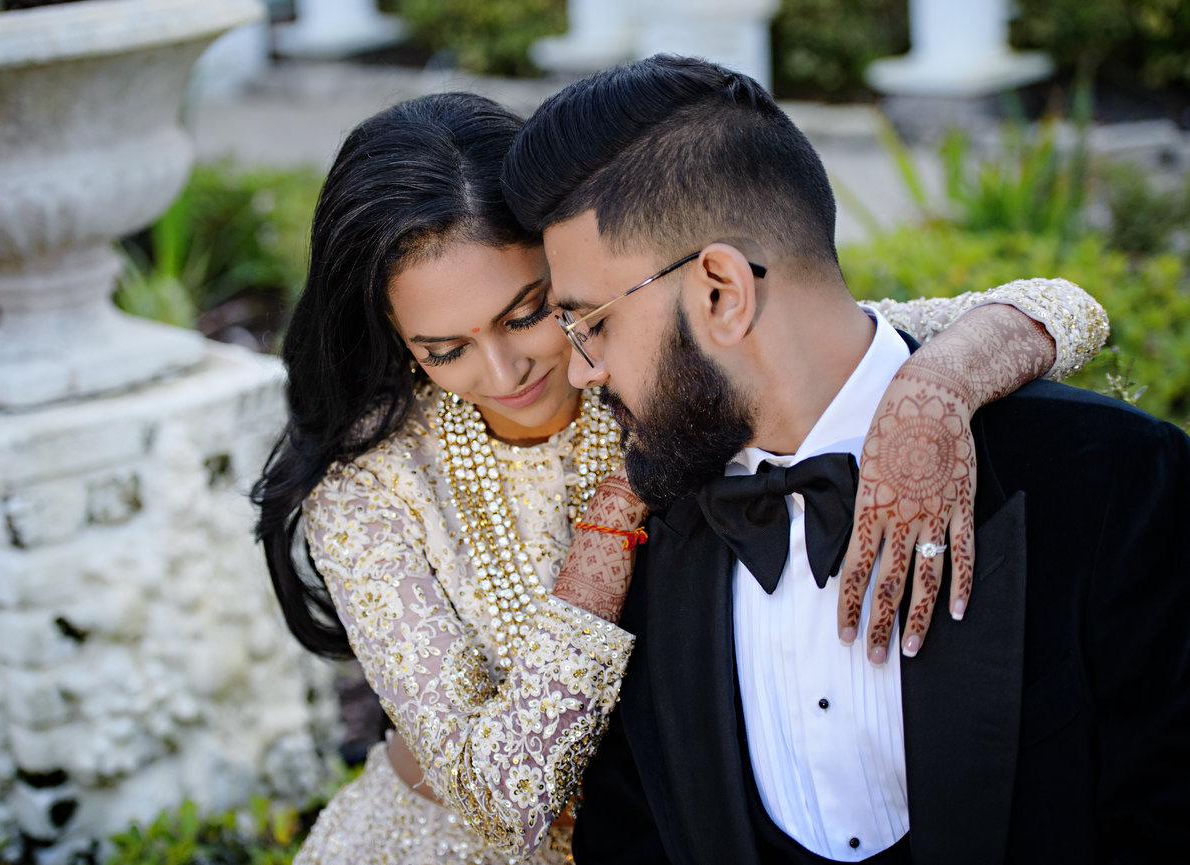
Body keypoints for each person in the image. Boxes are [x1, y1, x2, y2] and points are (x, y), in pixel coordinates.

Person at [253, 92, 1110, 865]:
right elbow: (500, 804)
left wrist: (936, 386)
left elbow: (1062, 307)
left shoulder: (670, 363)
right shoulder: (370, 488)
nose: (506, 369)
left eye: (532, 313)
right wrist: (613, 519)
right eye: (444, 350)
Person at [500, 55, 1190, 864]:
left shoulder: (1112, 480)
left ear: (722, 291)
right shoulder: (643, 533)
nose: (583, 372)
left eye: (592, 324)